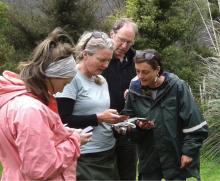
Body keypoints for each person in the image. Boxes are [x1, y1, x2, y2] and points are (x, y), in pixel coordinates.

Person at [0, 27, 92, 181]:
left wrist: (59, 133)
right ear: (53, 75)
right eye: (65, 82)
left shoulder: (13, 99)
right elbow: (40, 169)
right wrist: (75, 141)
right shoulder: (31, 110)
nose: (63, 88)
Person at [121, 49, 208, 180]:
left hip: (174, 155)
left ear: (157, 70)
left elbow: (195, 124)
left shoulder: (177, 87)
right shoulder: (134, 89)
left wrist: (189, 152)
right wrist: (138, 125)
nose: (140, 76)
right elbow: (128, 120)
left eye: (145, 72)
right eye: (137, 71)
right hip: (148, 157)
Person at [55, 31, 127, 180]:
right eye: (101, 60)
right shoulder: (70, 79)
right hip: (85, 156)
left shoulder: (100, 80)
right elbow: (63, 120)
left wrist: (114, 121)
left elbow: (98, 115)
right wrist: (99, 118)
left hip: (108, 153)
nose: (106, 65)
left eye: (109, 60)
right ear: (85, 54)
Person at [102, 17, 138, 180]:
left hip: (128, 126)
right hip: (101, 125)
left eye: (129, 42)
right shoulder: (101, 57)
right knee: (105, 174)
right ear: (112, 34)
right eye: (121, 40)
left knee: (128, 174)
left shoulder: (137, 60)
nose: (124, 46)